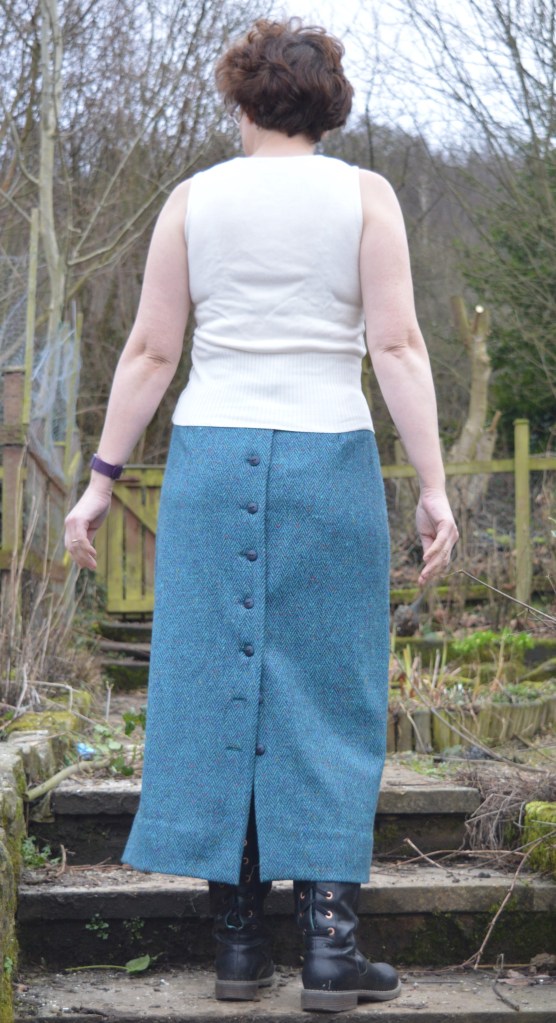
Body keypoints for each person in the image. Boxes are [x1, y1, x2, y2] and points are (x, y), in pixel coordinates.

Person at [65, 17, 458, 1015]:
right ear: (329, 108)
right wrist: (432, 484)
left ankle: (239, 947)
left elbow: (151, 351)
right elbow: (397, 345)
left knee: (210, 683)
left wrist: (102, 478)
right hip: (329, 461)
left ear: (241, 101)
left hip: (209, 459)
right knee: (330, 689)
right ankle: (329, 948)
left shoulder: (192, 201)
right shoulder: (365, 196)